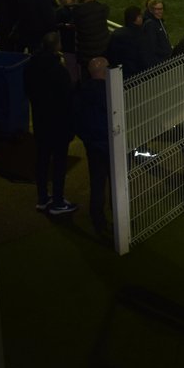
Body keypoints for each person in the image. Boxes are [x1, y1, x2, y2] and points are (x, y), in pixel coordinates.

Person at [24, 32, 78, 216]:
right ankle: (57, 201)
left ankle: (42, 197)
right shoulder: (58, 70)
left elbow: (28, 90)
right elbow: (66, 98)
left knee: (42, 159)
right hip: (58, 123)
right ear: (57, 46)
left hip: (41, 121)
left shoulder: (31, 65)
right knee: (59, 162)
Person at [74, 56, 111, 236]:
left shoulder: (82, 90)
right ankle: (118, 216)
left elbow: (77, 119)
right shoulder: (110, 92)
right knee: (116, 182)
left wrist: (87, 138)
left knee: (97, 183)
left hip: (93, 144)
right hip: (109, 143)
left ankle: (98, 220)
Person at [72, 0, 110, 64]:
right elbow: (105, 9)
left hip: (85, 54)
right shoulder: (100, 8)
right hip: (101, 51)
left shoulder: (76, 11)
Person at [107, 6, 147, 78]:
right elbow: (143, 57)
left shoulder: (116, 33)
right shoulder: (139, 35)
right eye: (140, 16)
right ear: (137, 18)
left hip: (117, 74)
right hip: (135, 75)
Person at [141, 0, 172, 68]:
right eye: (157, 9)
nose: (160, 11)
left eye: (161, 9)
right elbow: (152, 47)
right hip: (158, 63)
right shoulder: (150, 25)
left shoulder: (158, 20)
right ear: (151, 10)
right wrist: (167, 53)